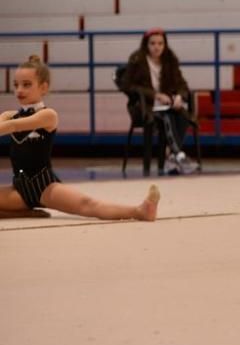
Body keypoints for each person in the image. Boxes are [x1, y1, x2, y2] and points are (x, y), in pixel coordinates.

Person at [0, 55, 160, 221]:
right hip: (19, 190)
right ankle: (25, 212)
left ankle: (140, 211)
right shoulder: (9, 115)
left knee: (88, 204)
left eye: (26, 85)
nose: (19, 90)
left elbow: (14, 126)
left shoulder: (48, 115)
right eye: (16, 85)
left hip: (45, 187)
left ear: (43, 87)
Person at [121, 28, 198, 175]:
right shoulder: (137, 59)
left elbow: (182, 85)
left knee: (182, 116)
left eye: (160, 44)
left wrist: (179, 97)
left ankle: (171, 157)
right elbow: (127, 85)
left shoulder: (170, 59)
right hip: (144, 107)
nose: (157, 47)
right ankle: (179, 156)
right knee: (167, 117)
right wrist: (155, 95)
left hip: (166, 105)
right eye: (153, 43)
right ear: (146, 44)